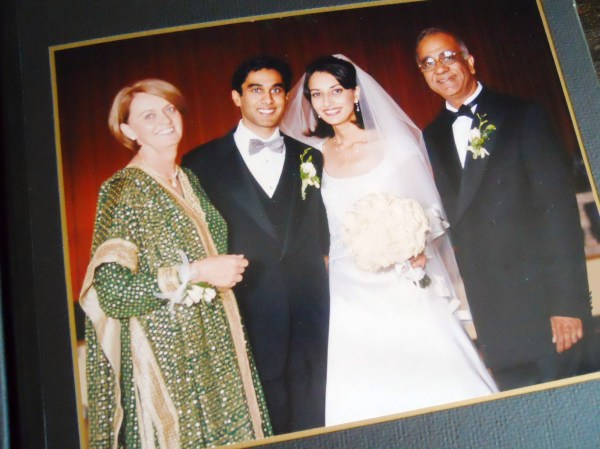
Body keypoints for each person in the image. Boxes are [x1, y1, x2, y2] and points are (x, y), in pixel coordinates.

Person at [281, 55, 497, 427]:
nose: (327, 102)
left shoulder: (393, 143)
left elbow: (429, 211)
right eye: (316, 94)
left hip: (402, 279)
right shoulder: (312, 156)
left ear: (355, 93)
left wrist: (417, 246)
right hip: (349, 289)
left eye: (336, 90)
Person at [79, 79, 272, 448]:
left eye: (169, 109)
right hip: (167, 360)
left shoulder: (188, 179)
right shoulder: (123, 189)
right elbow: (113, 294)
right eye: (149, 115)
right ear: (128, 130)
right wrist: (195, 272)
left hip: (217, 345)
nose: (165, 119)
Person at [415, 28, 592, 390]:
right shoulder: (431, 135)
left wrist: (568, 305)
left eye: (447, 57)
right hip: (493, 317)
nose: (440, 68)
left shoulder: (523, 115)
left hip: (546, 310)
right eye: (428, 63)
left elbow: (558, 214)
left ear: (470, 61)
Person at [182, 57, 330, 434]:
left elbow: (322, 232)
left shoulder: (311, 157)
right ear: (236, 97)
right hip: (248, 314)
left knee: (317, 418)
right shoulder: (199, 163)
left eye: (276, 89)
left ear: (286, 97)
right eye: (256, 90)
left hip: (310, 313)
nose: (268, 99)